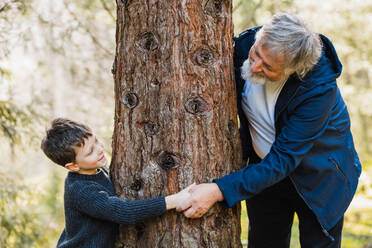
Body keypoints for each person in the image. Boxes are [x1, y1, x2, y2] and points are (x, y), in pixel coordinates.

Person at [177, 13, 361, 248]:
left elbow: (284, 159)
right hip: (264, 176)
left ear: (294, 70)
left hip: (320, 181)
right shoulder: (246, 45)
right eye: (256, 54)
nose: (254, 66)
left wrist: (218, 190)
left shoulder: (318, 90)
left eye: (268, 67)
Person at [41, 118, 191, 248]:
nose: (100, 149)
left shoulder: (97, 170)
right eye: (90, 151)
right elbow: (124, 212)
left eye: (96, 141)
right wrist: (174, 200)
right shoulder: (81, 190)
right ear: (73, 166)